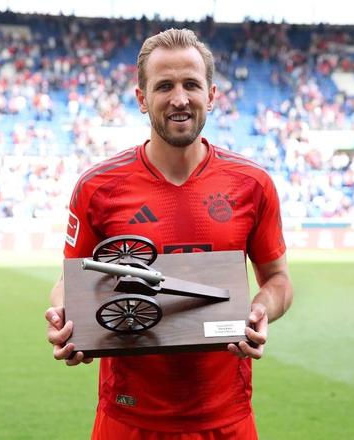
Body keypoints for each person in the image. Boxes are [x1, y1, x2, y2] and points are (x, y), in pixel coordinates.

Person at [45, 28, 294, 439]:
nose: (180, 98)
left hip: (226, 418)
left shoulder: (252, 183)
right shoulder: (98, 187)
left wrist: (260, 310)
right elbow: (70, 282)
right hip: (128, 417)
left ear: (211, 95)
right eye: (164, 86)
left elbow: (279, 281)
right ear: (142, 98)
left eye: (191, 84)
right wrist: (65, 318)